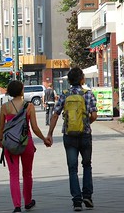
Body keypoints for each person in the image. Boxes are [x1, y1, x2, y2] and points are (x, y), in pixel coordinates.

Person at [46, 67, 97, 211]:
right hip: (85, 135)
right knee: (87, 165)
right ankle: (87, 195)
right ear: (82, 80)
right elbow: (94, 116)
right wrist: (85, 124)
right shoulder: (89, 94)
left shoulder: (64, 95)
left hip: (69, 136)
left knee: (72, 168)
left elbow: (55, 115)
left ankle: (76, 201)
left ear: (68, 81)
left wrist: (49, 134)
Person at [0, 80, 50, 213]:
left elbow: (1, 127)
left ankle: (17, 206)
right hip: (26, 142)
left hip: (10, 144)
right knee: (27, 173)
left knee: (13, 175)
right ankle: (27, 202)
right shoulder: (29, 106)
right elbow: (35, 127)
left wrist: (1, 140)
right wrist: (44, 139)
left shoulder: (5, 107)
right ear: (21, 91)